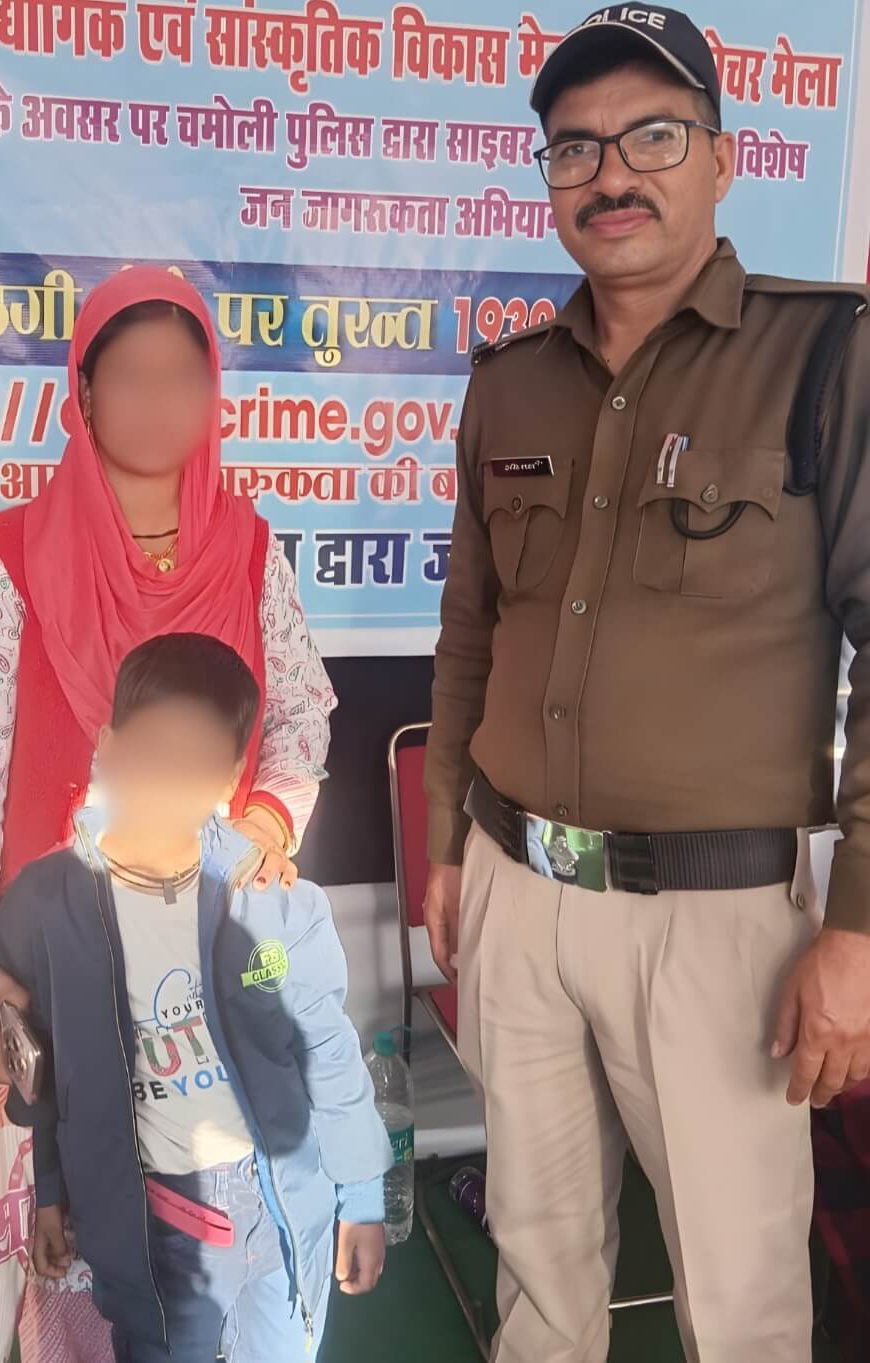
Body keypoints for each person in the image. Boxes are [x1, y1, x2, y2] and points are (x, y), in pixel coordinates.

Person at [422, 8, 870, 1363]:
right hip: (514, 893)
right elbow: (469, 632)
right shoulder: (510, 384)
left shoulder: (827, 357)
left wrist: (859, 928)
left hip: (718, 926)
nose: (611, 174)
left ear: (725, 160)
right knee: (539, 1267)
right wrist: (445, 848)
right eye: (576, 149)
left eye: (653, 137)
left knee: (739, 1302)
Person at [0, 265, 336, 1359]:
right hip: (54, 955)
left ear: (214, 395)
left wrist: (270, 823)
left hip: (205, 955)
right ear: (85, 394)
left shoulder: (248, 548)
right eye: (131, 375)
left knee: (220, 1227)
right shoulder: (8, 555)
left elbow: (302, 713)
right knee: (69, 1236)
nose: (158, 401)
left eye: (183, 376)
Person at [0, 632, 391, 1362]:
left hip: (280, 1204)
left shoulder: (272, 897)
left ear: (231, 774)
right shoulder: (46, 907)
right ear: (108, 746)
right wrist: (49, 1190)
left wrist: (360, 1195)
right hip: (155, 1225)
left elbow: (328, 1049)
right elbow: (39, 1073)